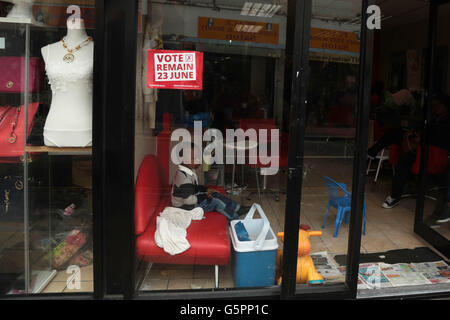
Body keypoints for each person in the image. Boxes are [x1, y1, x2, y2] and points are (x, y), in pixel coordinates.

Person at [382, 94, 450, 209]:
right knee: (402, 151)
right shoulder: (434, 118)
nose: (434, 108)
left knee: (404, 160)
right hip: (425, 150)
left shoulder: (446, 122)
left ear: (444, 107)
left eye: (436, 106)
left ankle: (396, 196)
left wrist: (422, 139)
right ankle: (396, 195)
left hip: (438, 155)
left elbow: (439, 139)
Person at [171, 142, 251, 220]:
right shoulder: (183, 177)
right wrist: (205, 196)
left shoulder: (189, 171)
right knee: (215, 202)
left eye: (199, 157)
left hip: (191, 199)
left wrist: (206, 190)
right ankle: (234, 218)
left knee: (214, 194)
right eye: (194, 158)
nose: (199, 161)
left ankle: (237, 208)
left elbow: (193, 188)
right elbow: (188, 200)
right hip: (185, 207)